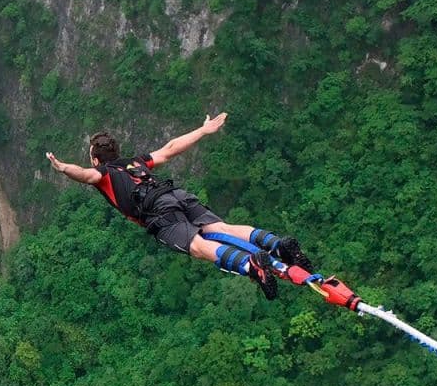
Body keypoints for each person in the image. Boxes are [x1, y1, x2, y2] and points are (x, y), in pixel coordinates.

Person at [45, 112, 312, 300]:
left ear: (96, 160)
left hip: (157, 212)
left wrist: (63, 168)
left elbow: (84, 175)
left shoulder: (103, 174)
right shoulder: (136, 162)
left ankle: (250, 265)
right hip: (175, 194)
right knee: (221, 228)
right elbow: (170, 148)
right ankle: (277, 244)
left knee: (197, 246)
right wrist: (203, 130)